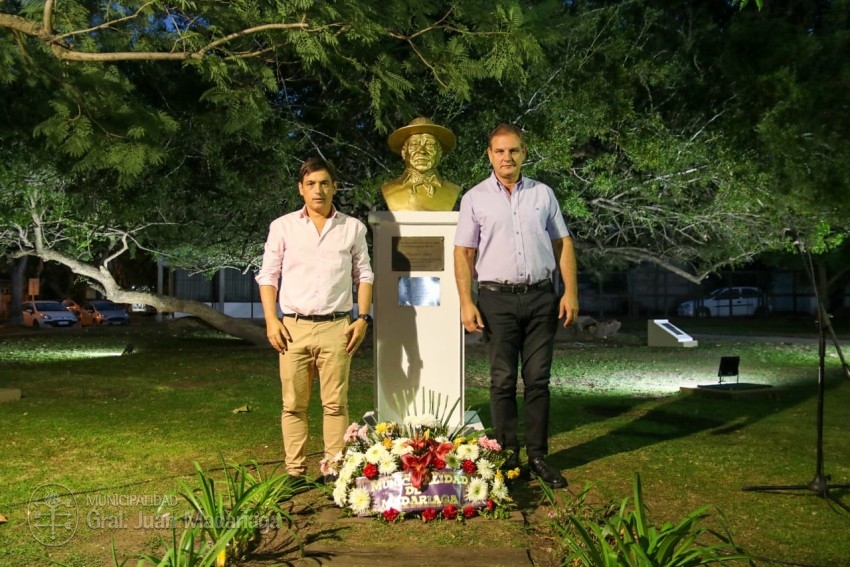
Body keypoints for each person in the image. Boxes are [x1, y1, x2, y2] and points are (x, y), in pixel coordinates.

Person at [453, 124, 579, 489]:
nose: (507, 158)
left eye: (514, 151)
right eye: (500, 151)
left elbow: (563, 244)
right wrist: (466, 301)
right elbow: (463, 253)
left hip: (542, 297)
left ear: (524, 153)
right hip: (496, 300)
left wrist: (570, 292)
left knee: (539, 380)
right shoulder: (474, 198)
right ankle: (507, 457)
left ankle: (538, 456)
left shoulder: (544, 194)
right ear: (490, 155)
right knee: (503, 381)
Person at [255, 157, 374, 482]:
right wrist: (271, 320)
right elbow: (268, 275)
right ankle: (294, 472)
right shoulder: (283, 227)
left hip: (337, 327)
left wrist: (362, 318)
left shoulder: (352, 228)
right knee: (293, 404)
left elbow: (364, 274)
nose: (318, 190)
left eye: (324, 183)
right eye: (310, 184)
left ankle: (334, 472)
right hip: (292, 328)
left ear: (334, 187)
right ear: (301, 189)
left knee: (335, 405)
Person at [381, 117, 462, 211]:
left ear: (439, 153)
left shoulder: (452, 190)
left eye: (430, 145)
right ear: (404, 152)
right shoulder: (389, 190)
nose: (422, 151)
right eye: (415, 145)